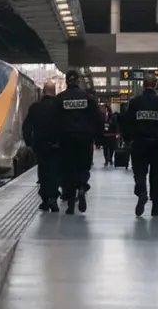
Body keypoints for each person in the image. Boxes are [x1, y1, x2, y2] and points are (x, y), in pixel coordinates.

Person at [123, 74, 158, 217]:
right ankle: (156, 206)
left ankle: (142, 191)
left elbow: (127, 122)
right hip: (157, 144)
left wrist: (127, 139)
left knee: (140, 172)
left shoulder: (135, 102)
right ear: (156, 85)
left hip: (139, 144)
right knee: (156, 175)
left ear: (143, 85)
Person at [54, 70, 103, 215]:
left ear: (66, 81)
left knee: (68, 170)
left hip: (66, 140)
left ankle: (70, 201)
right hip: (84, 139)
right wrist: (99, 138)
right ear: (78, 81)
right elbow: (97, 119)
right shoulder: (88, 98)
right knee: (83, 166)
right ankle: (82, 187)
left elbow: (53, 120)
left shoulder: (60, 99)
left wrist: (55, 139)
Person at [22, 81, 61, 212]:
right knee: (55, 171)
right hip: (56, 145)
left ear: (43, 92)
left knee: (43, 171)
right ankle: (54, 198)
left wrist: (29, 143)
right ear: (54, 92)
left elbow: (26, 127)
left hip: (40, 145)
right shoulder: (59, 106)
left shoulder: (35, 107)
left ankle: (45, 199)